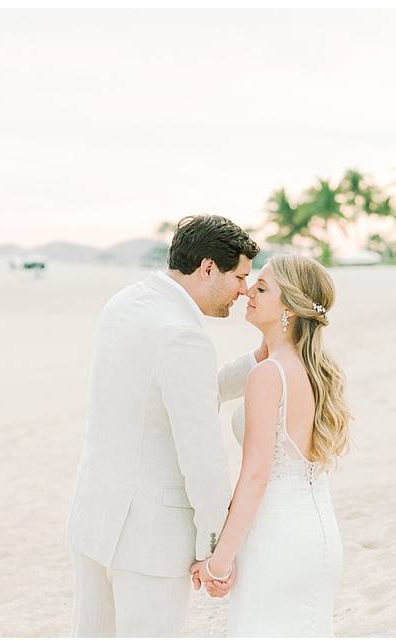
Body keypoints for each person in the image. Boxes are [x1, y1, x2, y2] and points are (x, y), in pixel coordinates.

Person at [67, 214, 261, 636]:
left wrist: (255, 363)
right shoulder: (183, 336)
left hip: (93, 520)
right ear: (208, 267)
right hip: (148, 540)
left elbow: (160, 395)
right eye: (241, 277)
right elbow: (202, 458)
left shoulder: (126, 303)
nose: (244, 291)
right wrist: (214, 549)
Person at [190, 254, 352, 636]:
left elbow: (256, 476)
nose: (248, 292)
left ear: (290, 309)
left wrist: (219, 561)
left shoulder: (269, 375)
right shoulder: (317, 371)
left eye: (262, 289)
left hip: (276, 538)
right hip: (320, 537)